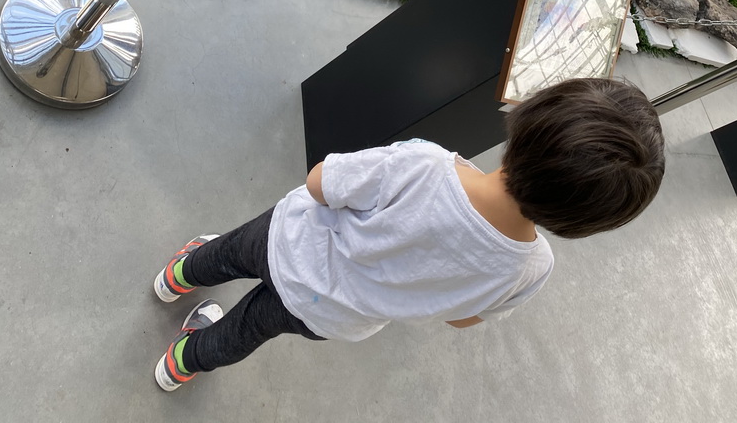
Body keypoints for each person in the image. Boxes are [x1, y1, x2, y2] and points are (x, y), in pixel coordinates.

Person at [152, 76, 665, 391]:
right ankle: (182, 363)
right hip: (332, 315)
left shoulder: (425, 164)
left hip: (286, 242)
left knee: (224, 254)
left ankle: (178, 277)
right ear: (585, 221)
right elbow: (461, 321)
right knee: (246, 332)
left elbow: (320, 183)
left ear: (531, 119)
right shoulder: (533, 269)